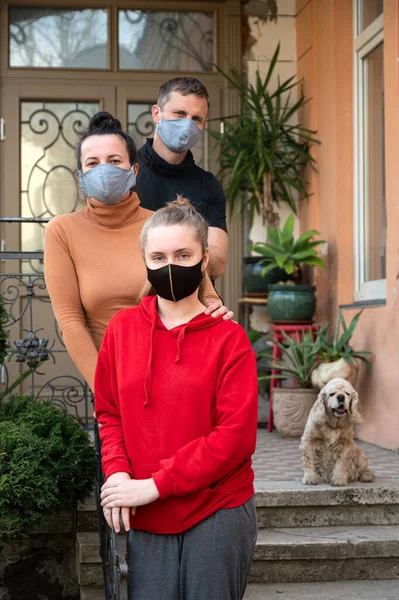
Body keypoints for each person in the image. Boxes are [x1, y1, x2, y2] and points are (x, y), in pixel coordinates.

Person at [95, 198, 258, 600]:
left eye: (183, 254)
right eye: (159, 256)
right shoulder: (122, 329)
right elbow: (109, 412)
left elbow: (235, 437)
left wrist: (155, 484)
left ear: (204, 259)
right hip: (146, 512)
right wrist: (117, 471)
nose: (170, 265)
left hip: (216, 508)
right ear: (145, 261)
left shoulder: (229, 338)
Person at [44, 112, 233, 393]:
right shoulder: (62, 230)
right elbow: (70, 321)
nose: (103, 169)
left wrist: (213, 301)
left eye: (114, 161)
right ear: (81, 177)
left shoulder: (161, 224)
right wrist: (105, 390)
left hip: (178, 377)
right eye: (92, 164)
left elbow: (203, 289)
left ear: (133, 171)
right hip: (113, 381)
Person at [135, 77, 228, 280]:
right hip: (134, 304)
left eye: (196, 119)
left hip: (194, 304)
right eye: (179, 114)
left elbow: (217, 263)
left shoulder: (208, 185)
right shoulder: (127, 173)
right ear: (156, 114)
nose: (187, 124)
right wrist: (188, 252)